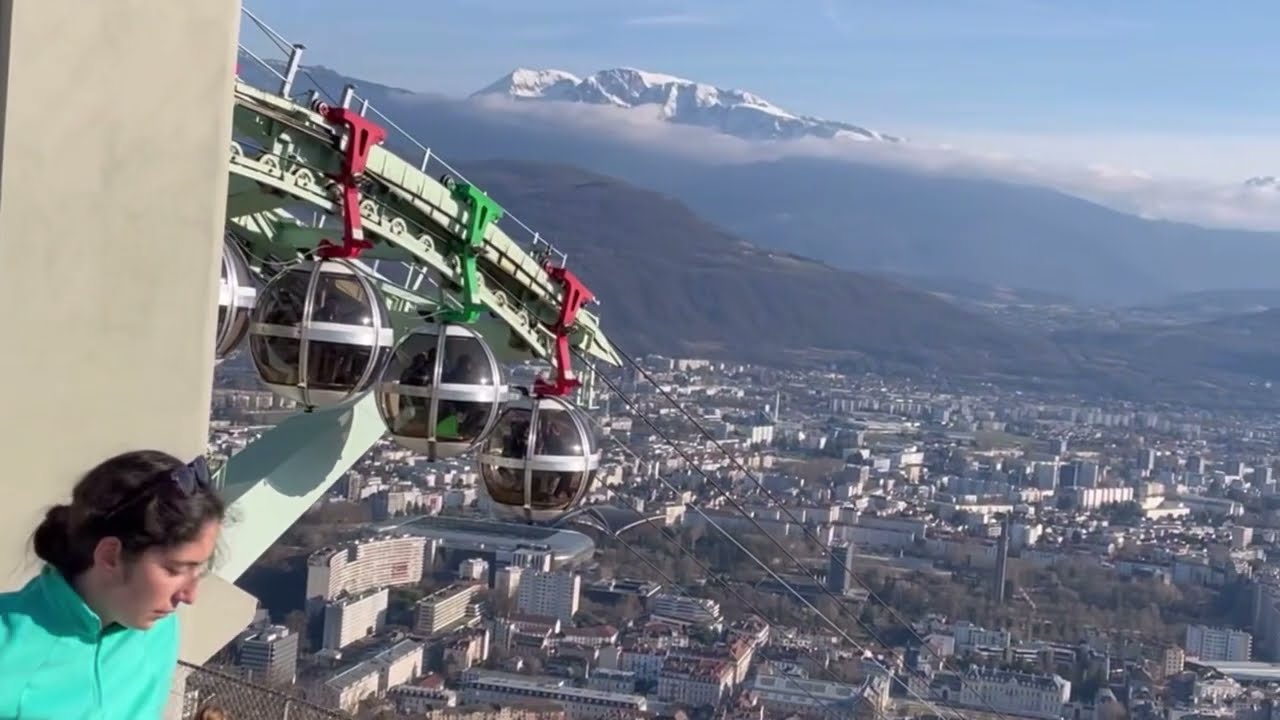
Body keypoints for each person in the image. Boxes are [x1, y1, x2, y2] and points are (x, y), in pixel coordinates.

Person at [0, 450, 226, 719]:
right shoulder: (8, 649)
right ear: (110, 555)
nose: (189, 596)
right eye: (174, 569)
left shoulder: (158, 628)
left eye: (199, 570)